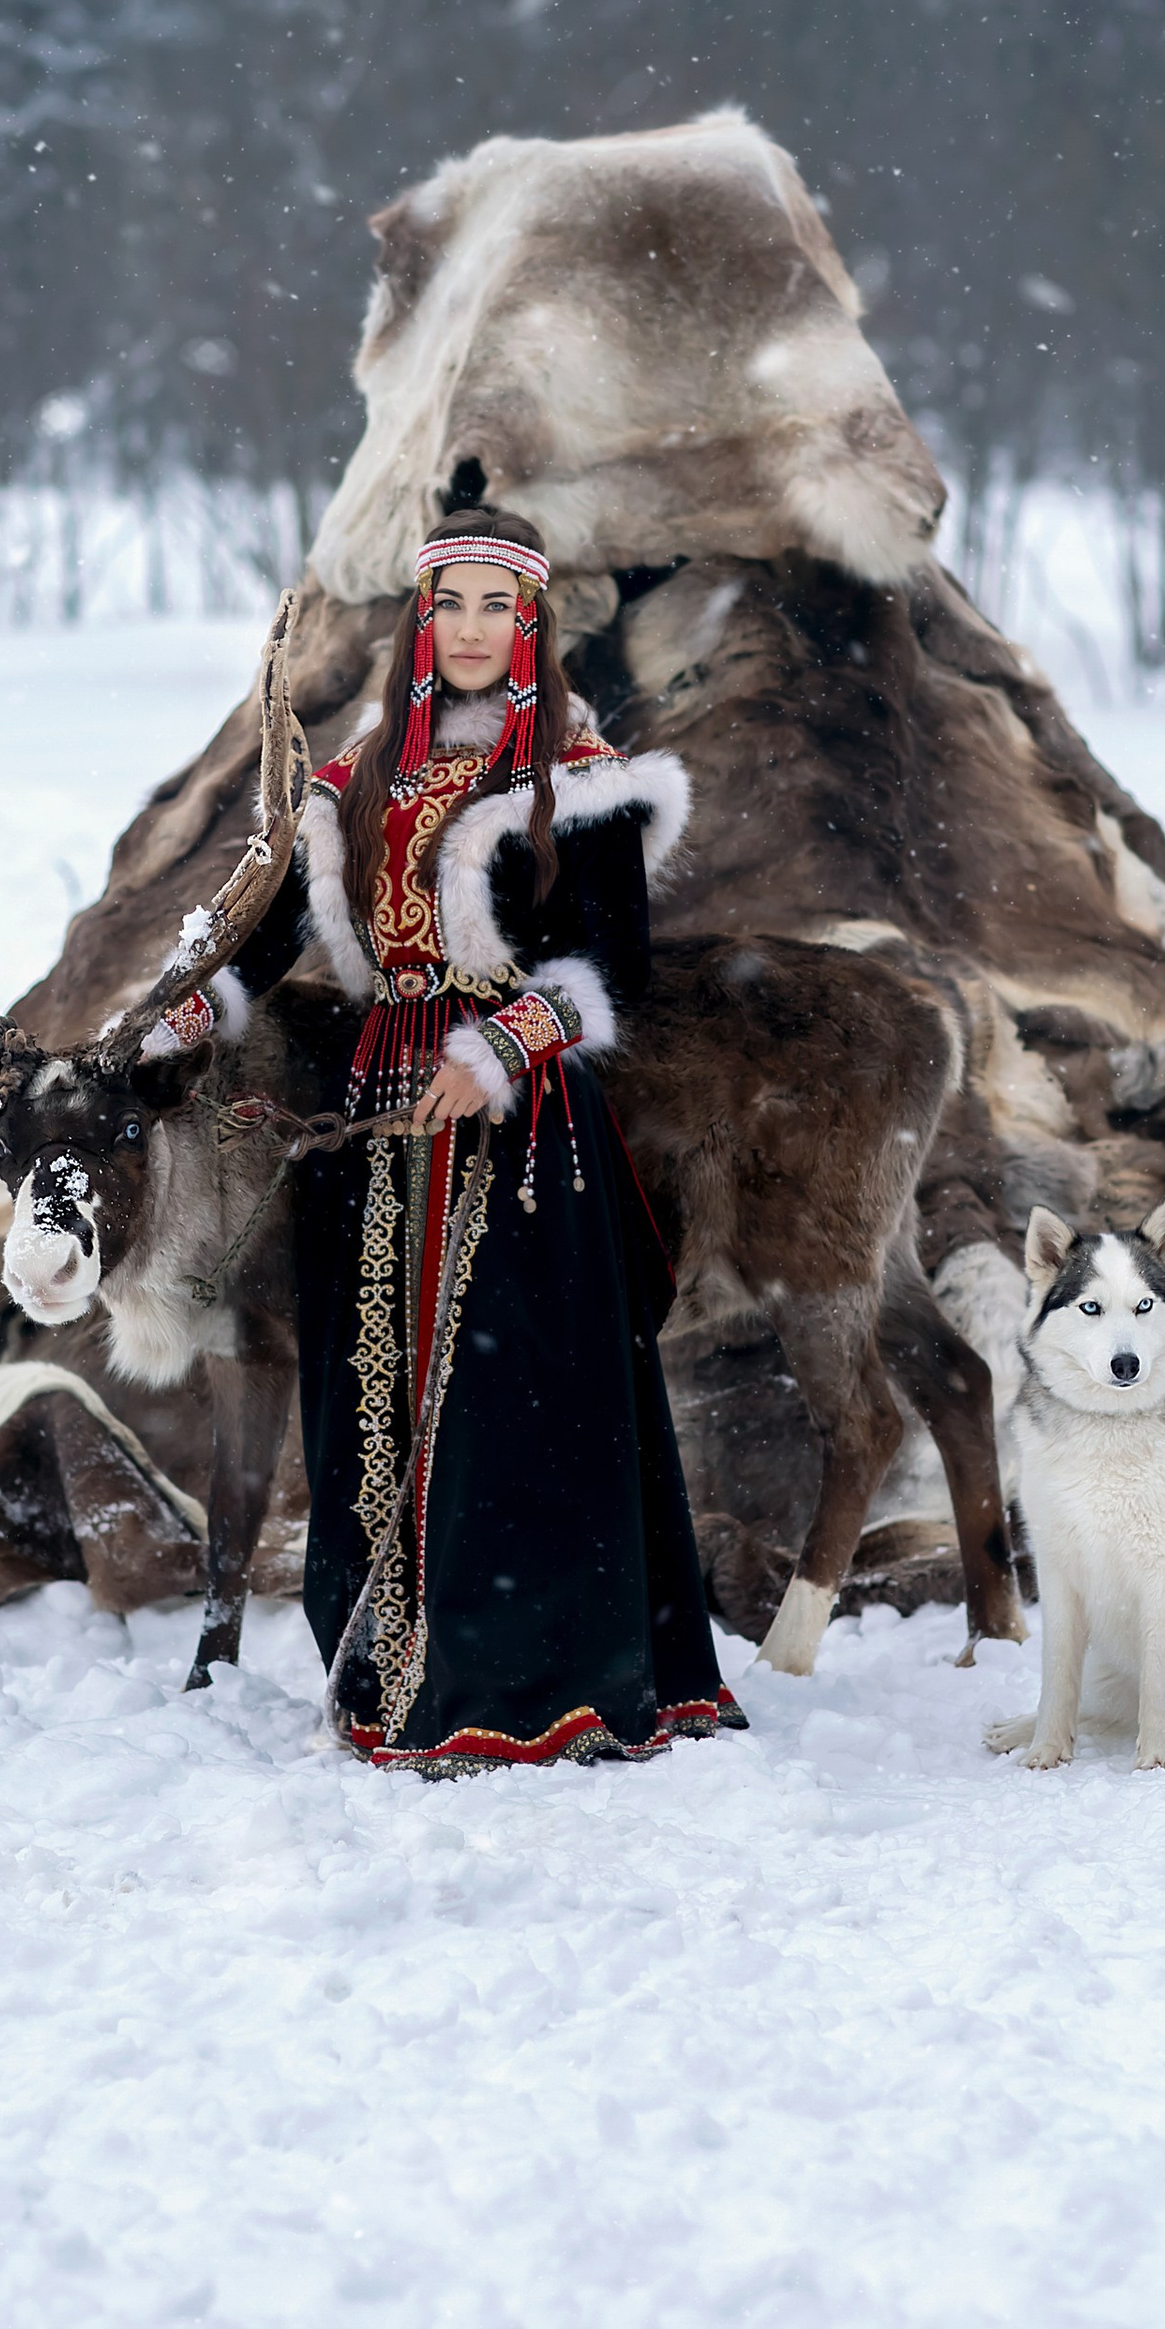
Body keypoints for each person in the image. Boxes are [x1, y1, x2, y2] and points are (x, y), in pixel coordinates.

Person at [146, 466, 741, 1772]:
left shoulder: (574, 776)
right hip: (380, 1105)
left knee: (513, 1401)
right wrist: (192, 1013)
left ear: (533, 627)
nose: (472, 628)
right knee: (369, 1389)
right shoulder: (363, 774)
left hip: (518, 1118)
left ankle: (533, 1684)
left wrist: (505, 1046)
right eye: (451, 603)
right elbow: (285, 932)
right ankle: (397, 1676)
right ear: (421, 619)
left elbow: (609, 967)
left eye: (497, 607)